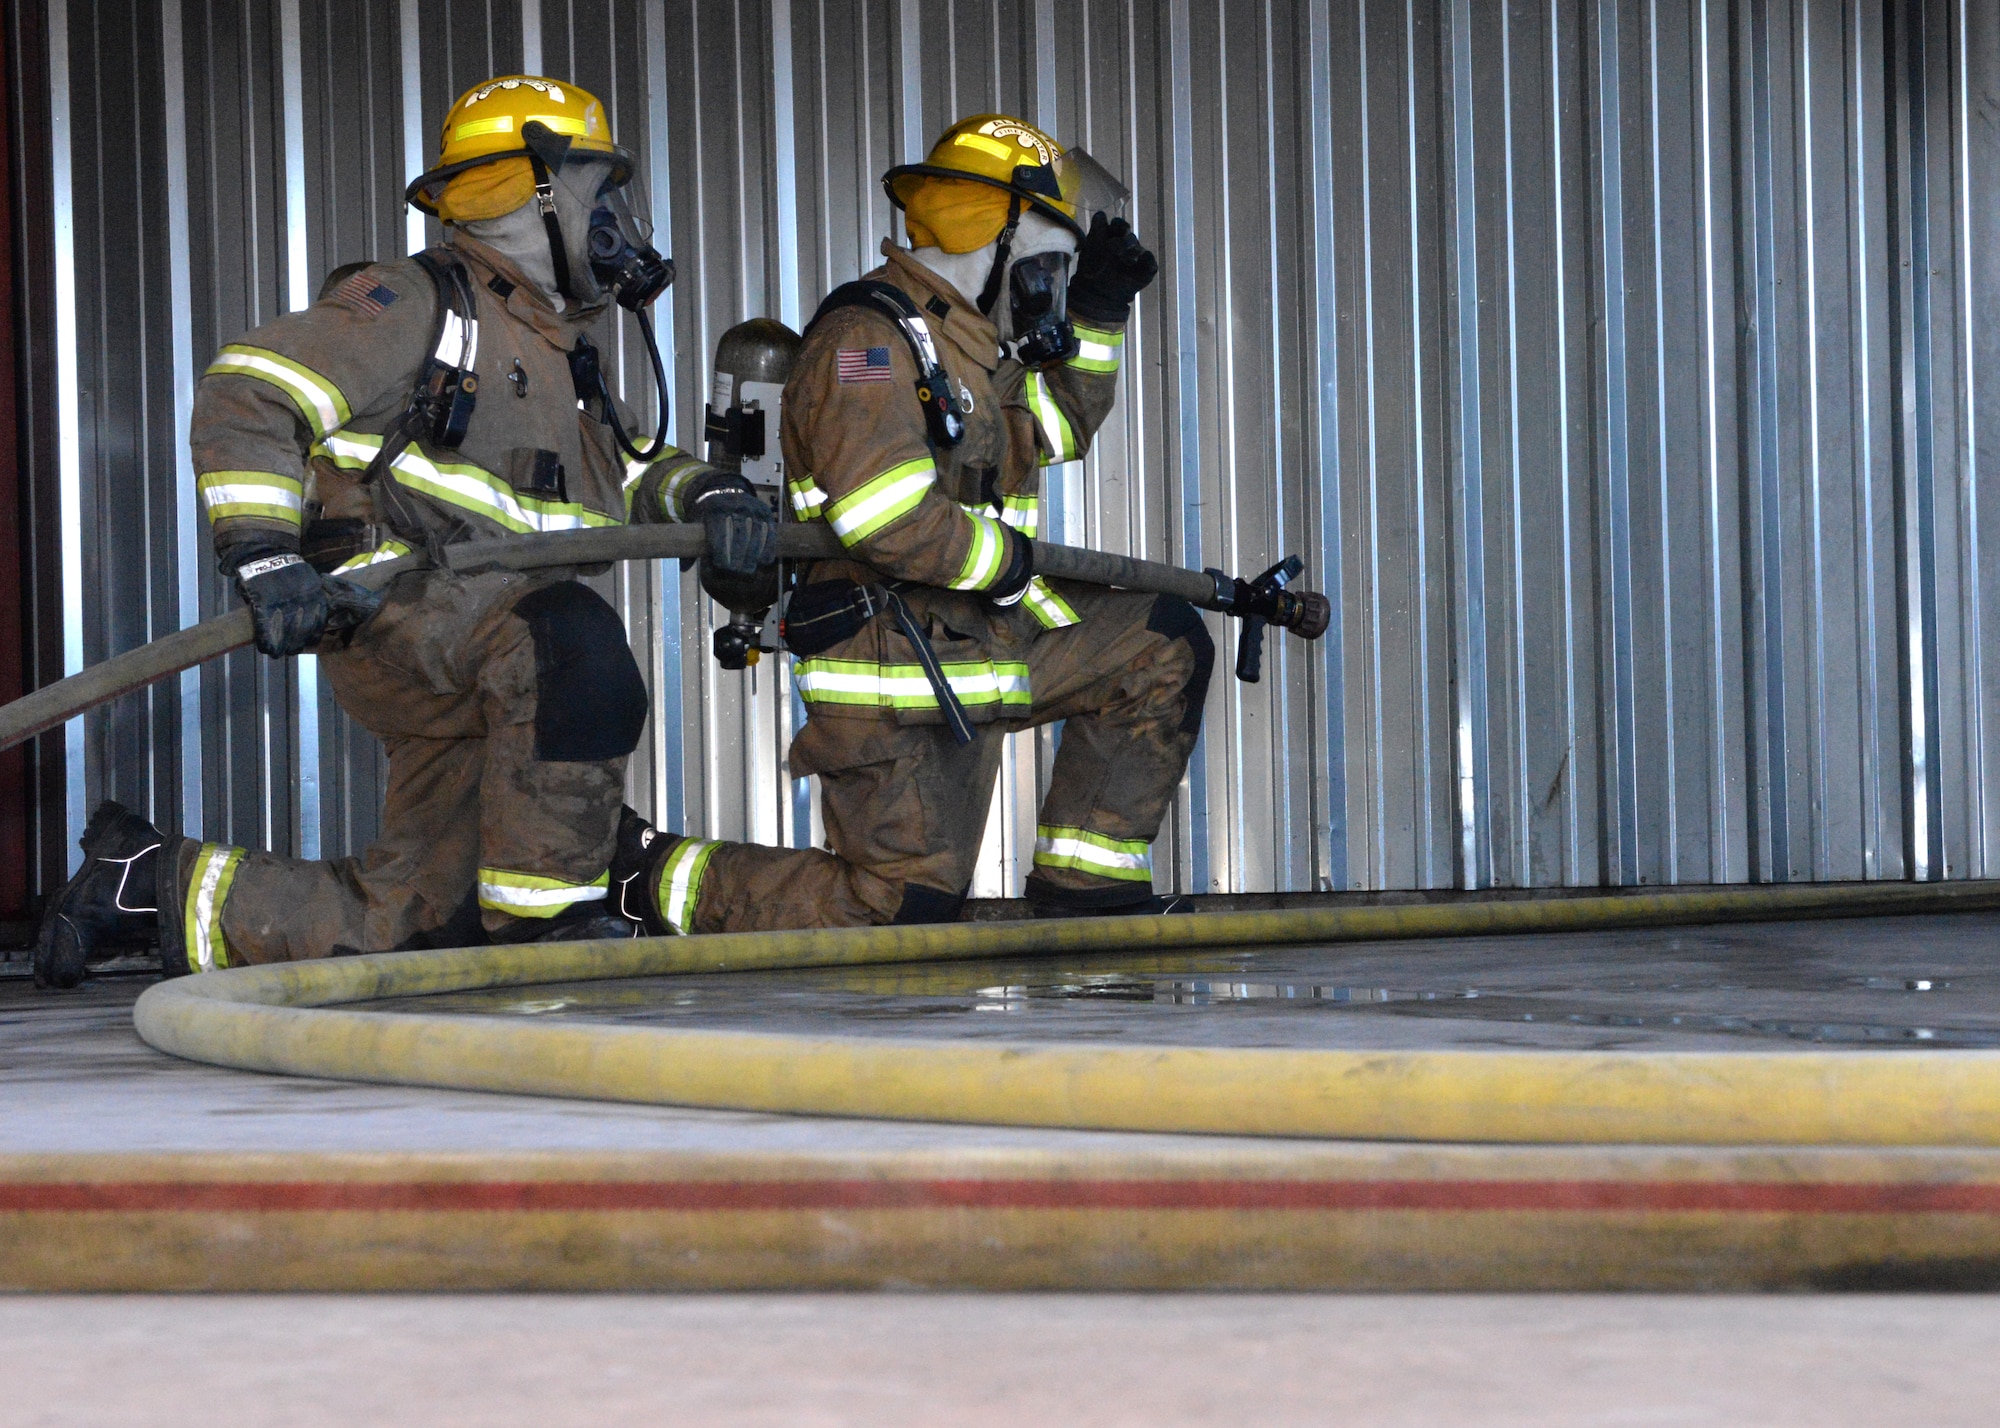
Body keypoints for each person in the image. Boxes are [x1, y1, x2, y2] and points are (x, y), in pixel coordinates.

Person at [33, 74, 772, 987]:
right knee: (576, 647)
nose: (617, 219)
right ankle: (552, 941)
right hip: (403, 607)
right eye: (600, 192)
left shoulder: (559, 342)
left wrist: (708, 496)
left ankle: (145, 883)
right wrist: (264, 555)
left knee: (421, 917)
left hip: (483, 636)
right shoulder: (416, 301)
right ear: (533, 194)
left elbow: (625, 466)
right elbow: (249, 389)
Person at [618, 114, 1210, 935]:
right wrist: (1006, 556)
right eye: (1054, 261)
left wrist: (1102, 316)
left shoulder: (973, 345)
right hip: (892, 664)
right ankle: (647, 875)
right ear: (995, 234)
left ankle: (1085, 894)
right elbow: (883, 516)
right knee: (898, 910)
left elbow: (1055, 431)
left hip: (979, 637)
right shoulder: (867, 342)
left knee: (1161, 641)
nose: (1057, 284)